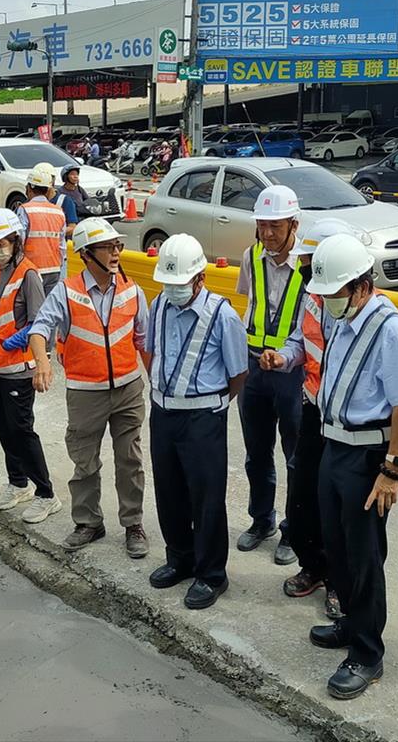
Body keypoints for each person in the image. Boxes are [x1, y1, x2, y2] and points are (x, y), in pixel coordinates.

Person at [281, 233, 398, 700]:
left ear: (361, 285)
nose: (325, 301)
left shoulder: (389, 328)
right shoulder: (343, 318)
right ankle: (350, 625)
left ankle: (367, 653)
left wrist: (392, 469)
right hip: (333, 446)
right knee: (335, 544)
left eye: (333, 292)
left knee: (363, 556)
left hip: (367, 457)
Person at [28, 219, 150, 558]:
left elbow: (144, 341)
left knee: (130, 459)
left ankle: (133, 523)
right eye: (107, 247)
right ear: (85, 254)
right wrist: (42, 362)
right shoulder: (66, 292)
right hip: (85, 392)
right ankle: (88, 522)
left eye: (117, 246)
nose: (115, 252)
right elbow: (39, 328)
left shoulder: (132, 291)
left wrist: (157, 384)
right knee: (85, 462)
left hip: (127, 389)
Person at [145, 234, 248, 610]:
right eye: (168, 283)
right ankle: (180, 558)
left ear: (200, 278)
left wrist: (209, 405)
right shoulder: (158, 305)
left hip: (203, 418)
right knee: (169, 491)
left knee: (206, 498)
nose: (173, 290)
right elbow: (151, 352)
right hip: (163, 413)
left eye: (181, 283)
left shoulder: (222, 316)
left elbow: (238, 373)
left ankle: (211, 574)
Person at [265, 217, 352, 620]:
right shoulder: (314, 298)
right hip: (313, 411)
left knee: (338, 505)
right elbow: (301, 341)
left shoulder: (358, 311)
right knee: (304, 497)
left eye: (309, 264)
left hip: (346, 423)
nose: (304, 272)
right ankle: (313, 566)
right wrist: (283, 358)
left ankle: (339, 581)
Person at [234, 184, 305, 564]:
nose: (267, 233)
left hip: (292, 372)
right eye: (262, 225)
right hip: (254, 369)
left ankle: (294, 531)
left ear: (294, 225)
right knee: (256, 452)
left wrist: (285, 357)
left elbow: (312, 323)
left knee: (297, 457)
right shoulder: (251, 256)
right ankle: (262, 520)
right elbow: (249, 302)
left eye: (275, 226)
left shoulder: (307, 264)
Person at [0, 207, 60, 524]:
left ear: (16, 240)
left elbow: (40, 322)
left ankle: (46, 494)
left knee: (21, 430)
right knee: (4, 427)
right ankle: (18, 483)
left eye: (2, 242)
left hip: (19, 368)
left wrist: (21, 345)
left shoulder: (29, 275)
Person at [16, 162, 67, 294]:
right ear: (48, 189)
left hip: (31, 269)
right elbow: (62, 246)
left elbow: (19, 241)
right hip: (54, 269)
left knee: (33, 305)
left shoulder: (25, 209)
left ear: (29, 187)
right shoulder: (58, 211)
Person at [55, 164, 87, 234]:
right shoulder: (60, 192)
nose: (75, 176)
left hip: (81, 221)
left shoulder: (80, 189)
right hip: (68, 223)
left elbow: (87, 201)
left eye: (77, 174)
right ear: (66, 176)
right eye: (72, 174)